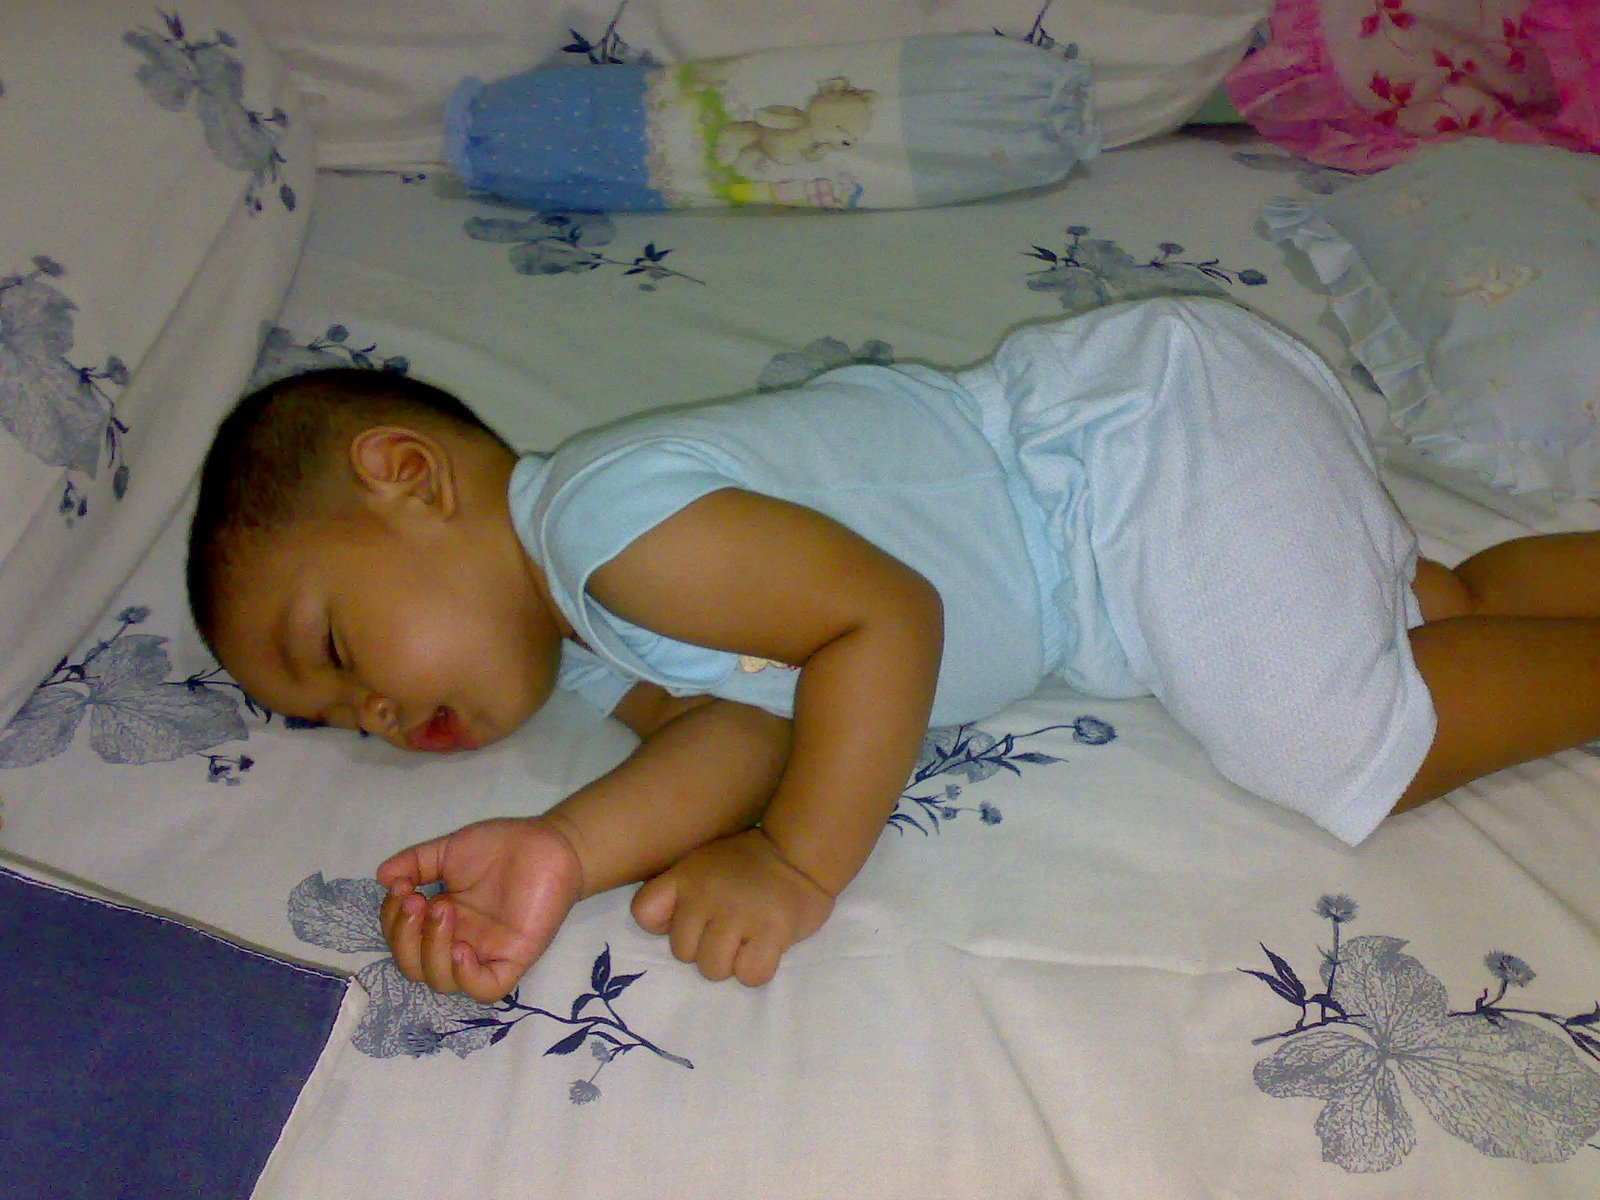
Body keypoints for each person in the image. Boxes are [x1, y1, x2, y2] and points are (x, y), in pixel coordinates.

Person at [187, 297, 1600, 1002]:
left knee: (1336, 738)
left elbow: (881, 618)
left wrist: (798, 863)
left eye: (335, 647)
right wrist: (565, 851)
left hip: (1126, 457)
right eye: (341, 718)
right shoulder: (590, 636)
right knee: (1431, 617)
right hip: (1117, 537)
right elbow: (741, 733)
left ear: (409, 476)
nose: (373, 711)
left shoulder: (599, 521)